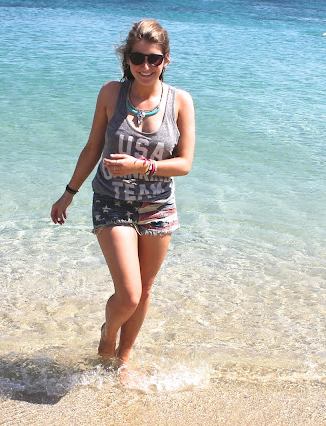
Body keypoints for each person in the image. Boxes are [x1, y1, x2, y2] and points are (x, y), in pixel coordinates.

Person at [50, 19, 196, 366]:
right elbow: (92, 148)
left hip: (158, 205)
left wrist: (140, 166)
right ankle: (108, 335)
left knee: (145, 290)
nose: (145, 66)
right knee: (129, 294)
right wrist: (69, 192)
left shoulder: (180, 101)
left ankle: (124, 360)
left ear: (166, 60)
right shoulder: (110, 94)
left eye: (154, 59)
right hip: (111, 201)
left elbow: (184, 164)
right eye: (137, 58)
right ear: (126, 59)